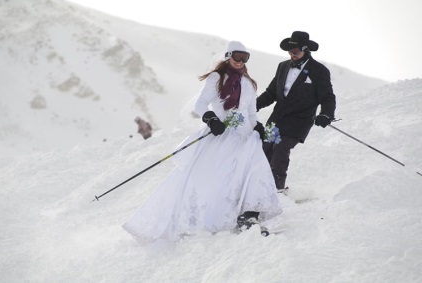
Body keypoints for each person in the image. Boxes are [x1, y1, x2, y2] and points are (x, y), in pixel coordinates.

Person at [122, 41, 282, 242]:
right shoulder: (217, 78)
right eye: (237, 56)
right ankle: (211, 216)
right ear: (228, 56)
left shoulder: (249, 84)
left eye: (245, 58)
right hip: (221, 135)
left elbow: (250, 112)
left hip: (246, 137)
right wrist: (211, 119)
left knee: (254, 172)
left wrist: (257, 126)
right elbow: (200, 104)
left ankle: (249, 216)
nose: (240, 61)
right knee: (218, 178)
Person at [257, 31, 336, 193]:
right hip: (277, 118)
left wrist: (326, 114)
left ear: (306, 49)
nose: (291, 55)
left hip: (298, 121)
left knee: (280, 150)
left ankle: (277, 191)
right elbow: (272, 93)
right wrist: (254, 105)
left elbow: (327, 96)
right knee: (265, 150)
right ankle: (259, 189)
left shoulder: (319, 71)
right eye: (289, 52)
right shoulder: (283, 66)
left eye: (295, 51)